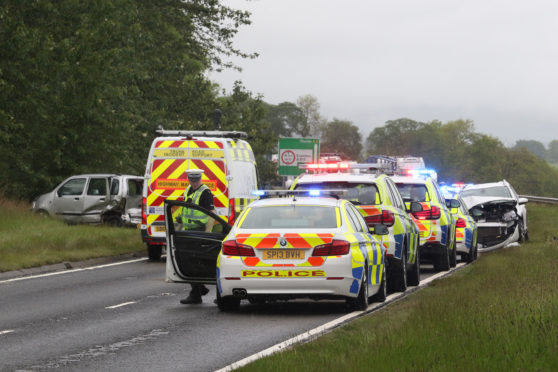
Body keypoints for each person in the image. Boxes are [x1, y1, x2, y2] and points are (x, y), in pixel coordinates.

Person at [179, 169, 215, 305]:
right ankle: (198, 289)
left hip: (200, 231)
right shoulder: (188, 189)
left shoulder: (205, 192)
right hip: (188, 231)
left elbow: (211, 213)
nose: (194, 183)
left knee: (197, 263)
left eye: (196, 181)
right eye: (191, 180)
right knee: (189, 262)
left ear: (200, 179)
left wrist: (207, 234)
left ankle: (197, 292)